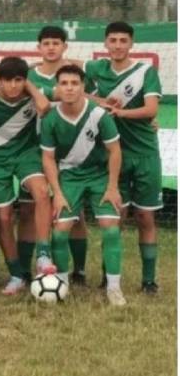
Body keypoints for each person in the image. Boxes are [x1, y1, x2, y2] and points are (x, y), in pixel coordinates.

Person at [85, 22, 163, 294]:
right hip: (112, 156)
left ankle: (149, 281)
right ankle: (109, 278)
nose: (117, 45)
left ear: (131, 43)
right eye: (113, 40)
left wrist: (120, 113)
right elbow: (73, 87)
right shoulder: (95, 69)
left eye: (123, 40)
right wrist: (101, 103)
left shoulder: (145, 72)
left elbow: (151, 110)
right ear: (105, 43)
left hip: (144, 155)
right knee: (114, 218)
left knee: (145, 217)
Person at [40, 64, 126, 306]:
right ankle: (61, 284)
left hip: (99, 176)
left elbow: (115, 150)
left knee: (111, 228)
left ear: (83, 87)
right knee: (60, 231)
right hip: (69, 177)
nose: (69, 88)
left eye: (74, 83)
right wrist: (57, 193)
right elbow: (48, 158)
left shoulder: (98, 115)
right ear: (57, 88)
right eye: (64, 83)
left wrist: (112, 187)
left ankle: (114, 288)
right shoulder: (50, 119)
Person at [0, 57, 55, 295]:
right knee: (3, 217)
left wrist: (30, 86)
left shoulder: (32, 94)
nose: (13, 86)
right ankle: (16, 274)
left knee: (42, 192)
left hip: (25, 154)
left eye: (18, 80)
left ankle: (43, 255)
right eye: (7, 80)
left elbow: (48, 104)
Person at [26, 25, 88, 283]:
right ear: (38, 47)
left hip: (71, 151)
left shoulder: (74, 74)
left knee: (75, 213)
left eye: (56, 43)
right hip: (35, 148)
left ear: (65, 46)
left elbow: (90, 100)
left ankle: (79, 271)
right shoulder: (28, 75)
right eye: (46, 43)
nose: (51, 47)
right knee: (30, 208)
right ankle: (29, 268)